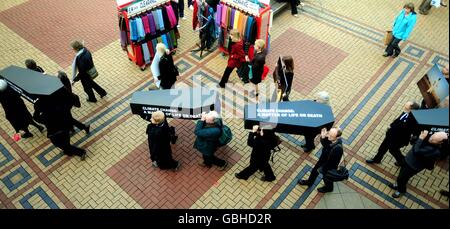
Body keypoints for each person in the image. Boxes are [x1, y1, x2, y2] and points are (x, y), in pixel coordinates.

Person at [389, 131, 447, 198]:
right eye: (432, 136)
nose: (430, 138)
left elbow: (417, 151)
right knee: (401, 174)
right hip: (408, 159)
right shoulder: (429, 138)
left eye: (433, 139)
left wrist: (420, 138)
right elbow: (413, 143)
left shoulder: (435, 151)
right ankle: (398, 184)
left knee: (402, 178)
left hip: (413, 166)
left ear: (440, 142)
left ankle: (401, 190)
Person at [33, 93, 87, 160]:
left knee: (62, 145)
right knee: (66, 143)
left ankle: (81, 152)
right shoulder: (59, 107)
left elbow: (35, 117)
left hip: (54, 134)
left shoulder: (44, 117)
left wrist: (36, 110)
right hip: (65, 129)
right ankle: (68, 152)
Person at [366, 101, 420, 166]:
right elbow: (398, 120)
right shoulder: (406, 112)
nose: (406, 104)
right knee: (383, 147)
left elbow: (404, 129)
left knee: (393, 150)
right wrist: (391, 126)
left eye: (408, 104)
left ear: (411, 108)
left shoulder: (412, 119)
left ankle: (402, 161)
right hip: (391, 134)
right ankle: (377, 159)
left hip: (398, 139)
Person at [298, 127, 344, 193]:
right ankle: (309, 182)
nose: (328, 136)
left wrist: (322, 169)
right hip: (323, 160)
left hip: (328, 165)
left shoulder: (338, 149)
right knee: (314, 171)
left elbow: (332, 162)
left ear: (337, 137)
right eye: (329, 133)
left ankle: (329, 188)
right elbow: (326, 145)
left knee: (327, 177)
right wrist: (323, 137)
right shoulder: (332, 139)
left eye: (331, 136)